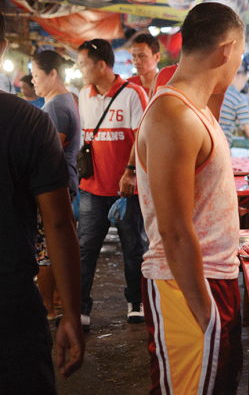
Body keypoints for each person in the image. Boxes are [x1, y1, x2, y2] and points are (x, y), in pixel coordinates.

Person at [136, 2, 245, 394]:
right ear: (228, 50)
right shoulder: (172, 115)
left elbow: (218, 85)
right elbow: (175, 229)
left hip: (214, 278)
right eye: (240, 57)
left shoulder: (199, 110)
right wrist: (206, 313)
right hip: (184, 285)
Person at [0, 12, 84, 393]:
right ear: (4, 47)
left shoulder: (43, 116)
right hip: (12, 308)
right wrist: (70, 313)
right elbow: (59, 224)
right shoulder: (29, 122)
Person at [77, 38, 149, 332]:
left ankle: (135, 302)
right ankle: (80, 309)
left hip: (126, 191)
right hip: (92, 189)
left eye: (83, 64)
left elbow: (142, 137)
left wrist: (130, 172)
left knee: (133, 249)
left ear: (101, 66)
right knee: (85, 251)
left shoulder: (133, 94)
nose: (79, 69)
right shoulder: (83, 94)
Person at [31, 50, 81, 322]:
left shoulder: (56, 106)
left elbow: (47, 150)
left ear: (52, 74)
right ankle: (56, 302)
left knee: (46, 250)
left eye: (37, 75)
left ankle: (48, 307)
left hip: (55, 184)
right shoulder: (62, 100)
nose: (33, 80)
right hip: (64, 180)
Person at [127, 32, 161, 98]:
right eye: (134, 56)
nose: (137, 61)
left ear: (157, 57)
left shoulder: (167, 86)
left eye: (142, 56)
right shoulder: (127, 86)